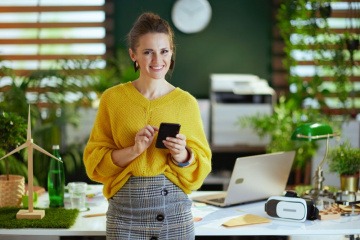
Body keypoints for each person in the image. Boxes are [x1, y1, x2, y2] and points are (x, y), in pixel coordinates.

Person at [83, 12, 212, 240]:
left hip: (175, 218)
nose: (157, 60)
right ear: (134, 55)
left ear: (171, 52)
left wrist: (183, 155)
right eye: (147, 52)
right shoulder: (112, 99)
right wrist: (133, 151)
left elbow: (202, 167)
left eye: (164, 51)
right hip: (124, 219)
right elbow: (94, 163)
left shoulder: (186, 103)